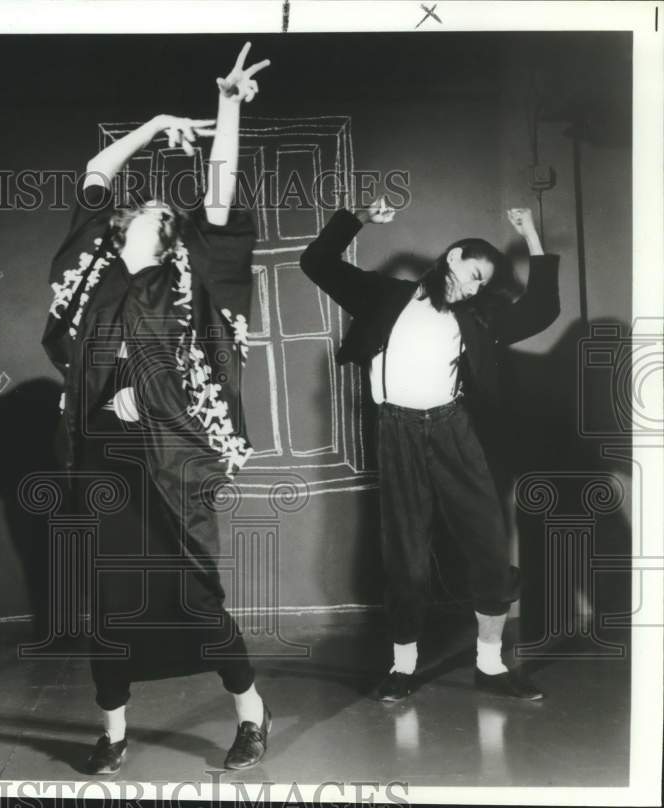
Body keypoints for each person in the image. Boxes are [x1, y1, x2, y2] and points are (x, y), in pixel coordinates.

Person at [42, 43, 271, 774]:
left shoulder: (194, 280)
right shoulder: (93, 274)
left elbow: (223, 193)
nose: (152, 207)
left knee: (196, 598)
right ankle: (112, 734)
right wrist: (157, 122)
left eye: (165, 210)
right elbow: (97, 174)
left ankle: (251, 713)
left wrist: (228, 108)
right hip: (104, 459)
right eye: (144, 206)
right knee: (108, 606)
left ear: (175, 234)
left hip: (174, 460)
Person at [299, 200, 560, 702]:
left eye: (484, 281)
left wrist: (530, 235)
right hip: (396, 433)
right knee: (406, 555)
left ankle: (491, 664)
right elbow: (317, 263)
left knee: (487, 544)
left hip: (452, 432)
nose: (477, 285)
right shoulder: (385, 295)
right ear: (454, 257)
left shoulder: (480, 317)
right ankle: (403, 668)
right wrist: (356, 219)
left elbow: (543, 310)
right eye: (474, 272)